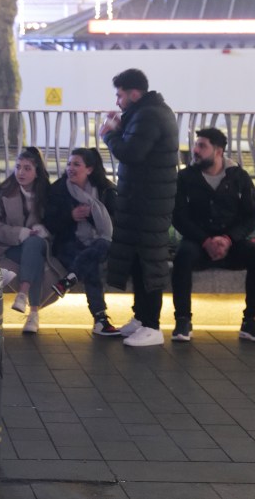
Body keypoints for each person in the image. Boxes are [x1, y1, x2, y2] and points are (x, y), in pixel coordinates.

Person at [99, 68, 179, 347]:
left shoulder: (149, 115)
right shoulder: (148, 113)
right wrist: (121, 129)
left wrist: (108, 135)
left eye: (120, 95)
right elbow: (138, 146)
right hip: (142, 201)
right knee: (136, 259)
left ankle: (152, 326)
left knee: (149, 263)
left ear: (134, 93)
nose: (118, 101)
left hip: (148, 204)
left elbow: (132, 153)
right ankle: (140, 318)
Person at [171, 127, 255, 343]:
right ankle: (183, 319)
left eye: (202, 146)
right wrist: (205, 240)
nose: (195, 150)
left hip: (231, 243)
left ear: (218, 151)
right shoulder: (186, 177)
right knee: (183, 257)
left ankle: (251, 320)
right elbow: (178, 216)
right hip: (198, 242)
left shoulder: (238, 177)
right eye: (196, 145)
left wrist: (228, 239)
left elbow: (253, 215)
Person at [0, 147, 65, 334]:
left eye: (27, 168)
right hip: (11, 246)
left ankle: (23, 295)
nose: (21, 172)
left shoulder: (48, 195)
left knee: (34, 244)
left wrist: (44, 230)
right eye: (18, 167)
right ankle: (33, 314)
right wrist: (19, 232)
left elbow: (59, 223)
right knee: (33, 258)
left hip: (39, 246)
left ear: (37, 172)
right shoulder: (5, 192)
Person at [44, 148, 121, 336]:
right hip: (68, 244)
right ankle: (100, 319)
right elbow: (50, 223)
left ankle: (70, 279)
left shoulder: (105, 190)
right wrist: (70, 216)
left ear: (89, 169)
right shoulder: (59, 189)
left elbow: (114, 223)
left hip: (99, 243)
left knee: (101, 245)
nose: (70, 168)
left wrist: (93, 215)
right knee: (90, 264)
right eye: (69, 164)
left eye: (76, 164)